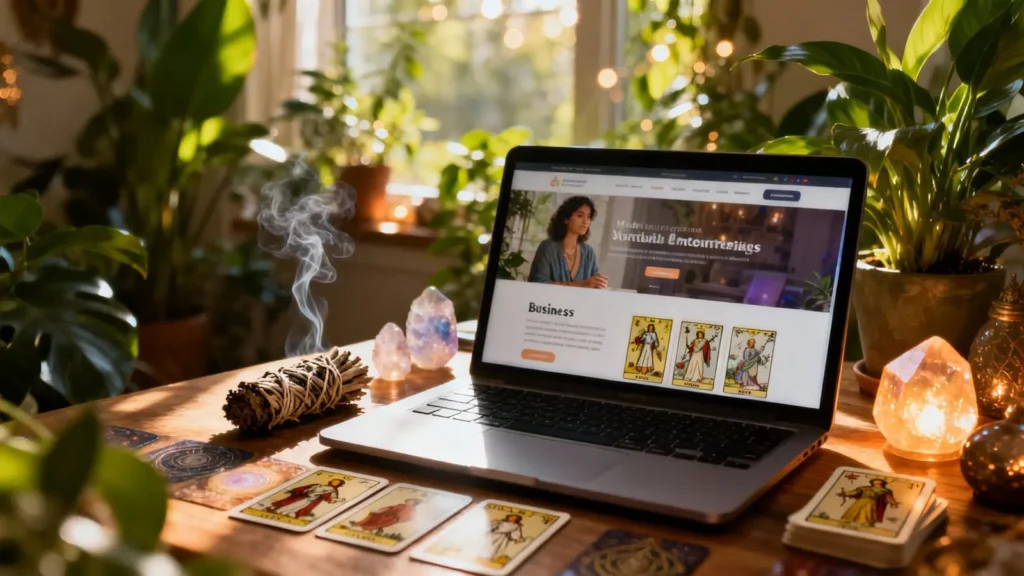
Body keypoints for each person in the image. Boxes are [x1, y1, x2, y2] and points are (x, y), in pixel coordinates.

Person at [528, 196, 608, 288]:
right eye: (580, 216)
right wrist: (582, 284)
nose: (586, 221)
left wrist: (599, 283)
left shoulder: (588, 252)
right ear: (566, 219)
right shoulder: (548, 247)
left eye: (589, 217)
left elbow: (593, 285)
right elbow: (538, 284)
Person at [262, 478, 345, 519]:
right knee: (289, 502)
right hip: (303, 496)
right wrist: (294, 490)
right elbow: (305, 488)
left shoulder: (332, 490)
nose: (334, 482)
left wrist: (338, 500)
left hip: (311, 500)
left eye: (337, 482)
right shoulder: (318, 485)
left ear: (339, 484)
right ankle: (277, 510)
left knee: (297, 506)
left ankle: (282, 512)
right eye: (334, 481)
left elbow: (330, 498)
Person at [352, 498, 422, 532]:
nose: (406, 501)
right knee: (374, 517)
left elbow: (410, 518)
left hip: (391, 518)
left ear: (413, 503)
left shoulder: (410, 509)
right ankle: (360, 525)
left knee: (377, 522)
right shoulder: (403, 506)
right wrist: (380, 510)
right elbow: (390, 508)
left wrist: (398, 519)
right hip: (388, 516)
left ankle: (363, 527)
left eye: (409, 501)